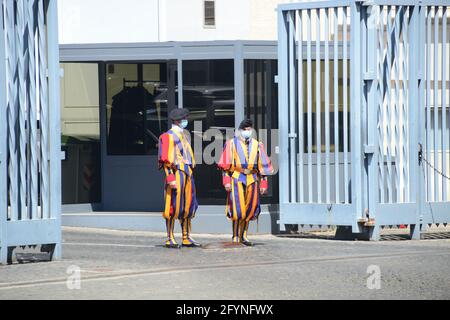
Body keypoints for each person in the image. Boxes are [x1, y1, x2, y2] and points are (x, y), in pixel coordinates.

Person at [218, 119, 273, 246]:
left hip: (252, 178)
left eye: (249, 130)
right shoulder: (231, 144)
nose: (247, 132)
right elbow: (225, 166)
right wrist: (226, 181)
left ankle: (244, 235)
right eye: (245, 130)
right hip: (237, 177)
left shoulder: (258, 145)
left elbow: (263, 166)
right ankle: (236, 236)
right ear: (240, 131)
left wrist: (264, 184)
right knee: (237, 209)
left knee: (250, 208)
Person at [158, 108, 200, 248]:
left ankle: (186, 237)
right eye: (183, 119)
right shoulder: (167, 136)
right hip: (176, 173)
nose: (185, 121)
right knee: (172, 206)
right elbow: (165, 160)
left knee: (187, 205)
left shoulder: (184, 135)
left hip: (187, 173)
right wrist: (170, 178)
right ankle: (170, 238)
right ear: (177, 120)